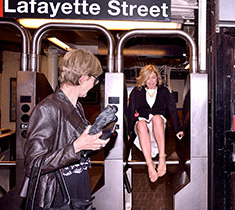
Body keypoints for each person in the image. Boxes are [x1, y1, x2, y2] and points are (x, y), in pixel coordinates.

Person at [20, 49, 110, 209]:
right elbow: (33, 164)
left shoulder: (77, 106)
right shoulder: (48, 109)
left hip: (77, 189)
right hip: (57, 195)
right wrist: (76, 147)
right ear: (83, 78)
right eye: (94, 79)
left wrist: (93, 142)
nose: (95, 85)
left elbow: (73, 145)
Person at [128, 64, 184, 182]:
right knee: (141, 123)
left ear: (157, 78)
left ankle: (162, 158)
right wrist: (128, 132)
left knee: (157, 118)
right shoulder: (136, 91)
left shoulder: (164, 91)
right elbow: (130, 112)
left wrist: (178, 129)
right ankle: (150, 165)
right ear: (143, 79)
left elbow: (173, 111)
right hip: (143, 127)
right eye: (148, 78)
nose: (151, 81)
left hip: (158, 126)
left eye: (153, 77)